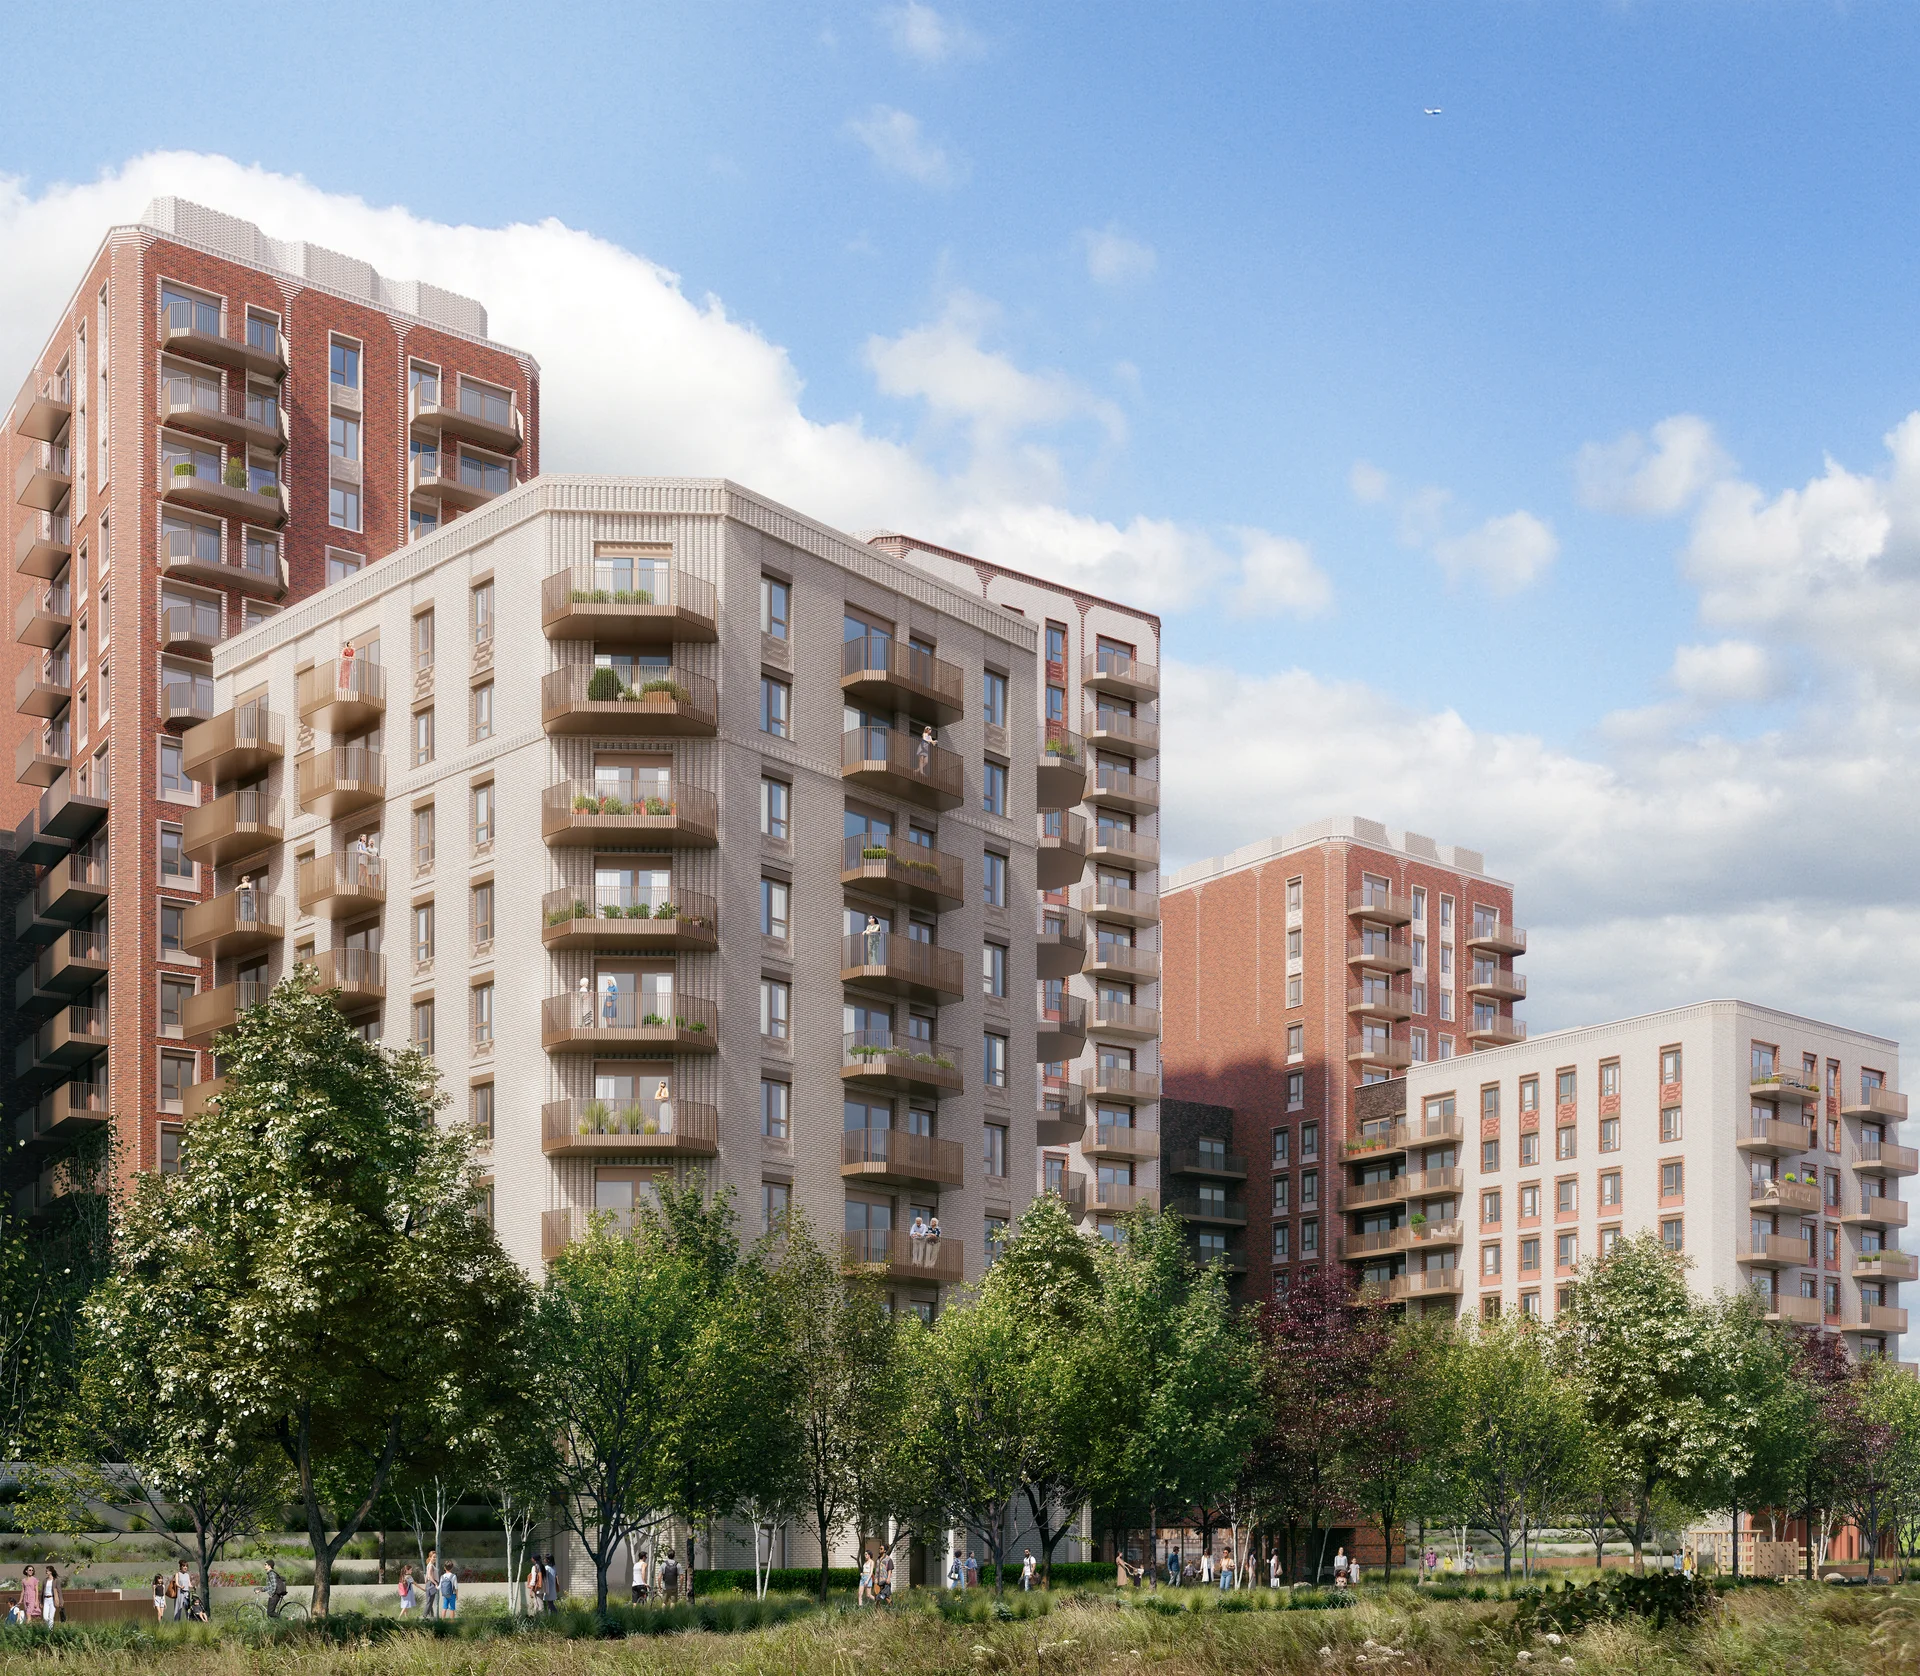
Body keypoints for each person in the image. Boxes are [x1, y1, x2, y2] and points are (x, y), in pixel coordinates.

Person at [423, 1549, 440, 1621]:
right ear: (430, 1557)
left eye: (436, 1557)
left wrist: (426, 1583)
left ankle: (431, 1616)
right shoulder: (430, 1566)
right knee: (430, 1601)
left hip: (429, 1583)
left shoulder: (430, 1565)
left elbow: (427, 1576)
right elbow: (429, 1576)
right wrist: (435, 1583)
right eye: (434, 1557)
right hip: (432, 1583)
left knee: (430, 1601)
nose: (435, 1558)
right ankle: (424, 1616)